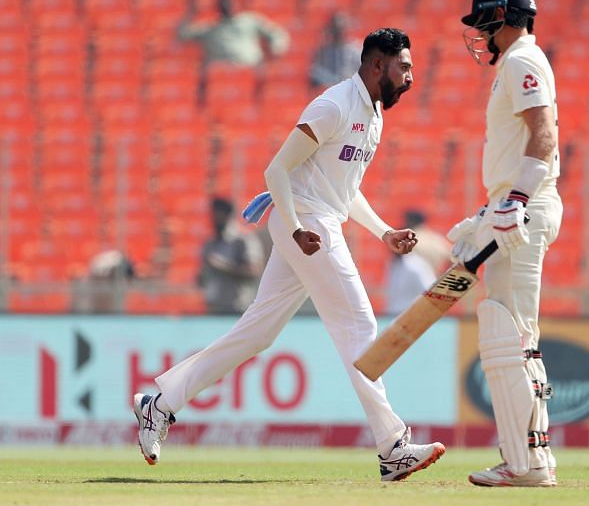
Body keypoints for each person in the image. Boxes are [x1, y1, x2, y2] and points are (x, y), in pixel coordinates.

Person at [133, 28, 446, 481]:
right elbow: (276, 169)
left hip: (317, 223)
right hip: (308, 225)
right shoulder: (334, 104)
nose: (411, 77)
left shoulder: (374, 113)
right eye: (405, 67)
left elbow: (345, 191)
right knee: (358, 324)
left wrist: (383, 233)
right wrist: (297, 228)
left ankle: (158, 404)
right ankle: (392, 446)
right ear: (378, 65)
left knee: (256, 334)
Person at [449, 0, 562, 487]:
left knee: (508, 337)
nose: (480, 35)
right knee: (517, 336)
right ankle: (532, 459)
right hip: (516, 204)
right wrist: (487, 212)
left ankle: (524, 464)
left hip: (525, 206)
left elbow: (544, 132)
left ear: (500, 16)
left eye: (482, 24)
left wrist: (514, 200)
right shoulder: (521, 61)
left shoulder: (520, 60)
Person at [178, 0, 289, 68]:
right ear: (218, 7)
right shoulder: (210, 29)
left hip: (251, 68)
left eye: (229, 3)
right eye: (223, 3)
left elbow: (277, 34)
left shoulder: (250, 20)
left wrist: (276, 48)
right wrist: (191, 12)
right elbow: (182, 35)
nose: (227, 6)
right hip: (221, 77)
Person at [197, 197, 260, 315]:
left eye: (218, 214)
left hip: (238, 310)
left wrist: (222, 267)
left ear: (228, 215)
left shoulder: (242, 240)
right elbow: (202, 279)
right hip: (214, 309)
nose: (214, 218)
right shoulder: (210, 243)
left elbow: (253, 272)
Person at [309, 12, 362, 89]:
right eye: (336, 29)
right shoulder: (323, 52)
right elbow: (315, 73)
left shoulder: (356, 50)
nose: (339, 33)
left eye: (341, 29)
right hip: (330, 92)